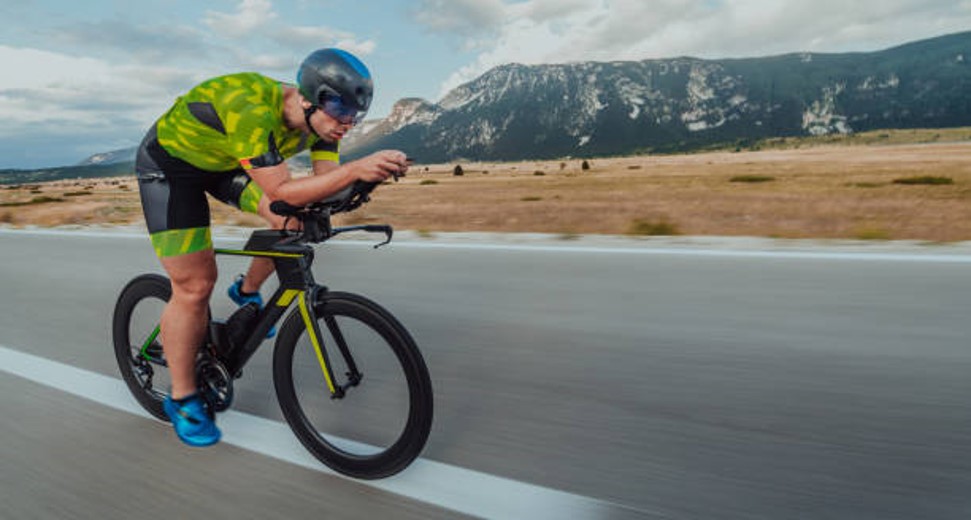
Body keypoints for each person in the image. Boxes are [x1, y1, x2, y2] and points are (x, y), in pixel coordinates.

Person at [135, 48, 409, 447]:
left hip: (226, 163)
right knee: (195, 285)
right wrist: (356, 168)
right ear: (307, 98)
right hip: (171, 170)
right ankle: (183, 398)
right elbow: (281, 190)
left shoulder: (323, 125)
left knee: (293, 220)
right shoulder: (250, 108)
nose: (346, 124)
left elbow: (325, 185)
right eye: (340, 112)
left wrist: (371, 177)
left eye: (355, 115)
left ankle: (246, 293)